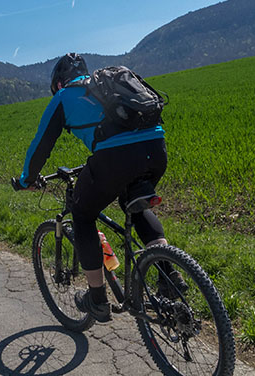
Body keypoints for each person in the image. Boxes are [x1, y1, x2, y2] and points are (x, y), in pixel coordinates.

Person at [17, 52, 175, 322]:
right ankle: (170, 276)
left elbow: (41, 145)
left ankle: (98, 299)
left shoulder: (64, 97)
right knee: (135, 205)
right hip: (156, 150)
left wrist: (27, 179)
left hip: (115, 158)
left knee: (82, 216)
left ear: (58, 83)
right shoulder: (108, 84)